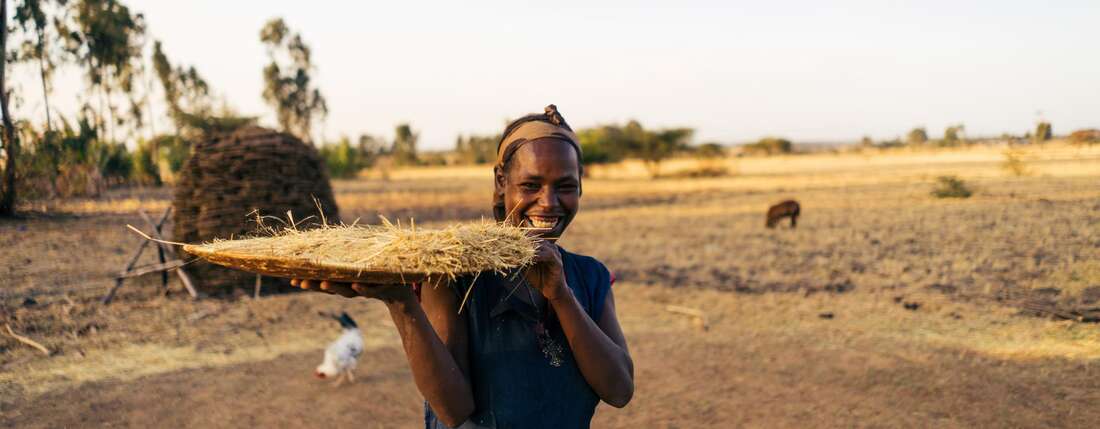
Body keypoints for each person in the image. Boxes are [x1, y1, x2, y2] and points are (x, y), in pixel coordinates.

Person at [292, 105, 633, 428]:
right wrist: (400, 302)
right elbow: (453, 411)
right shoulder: (453, 273)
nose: (548, 202)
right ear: (502, 182)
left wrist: (561, 296)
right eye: (530, 185)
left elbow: (619, 390)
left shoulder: (589, 277)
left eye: (566, 187)